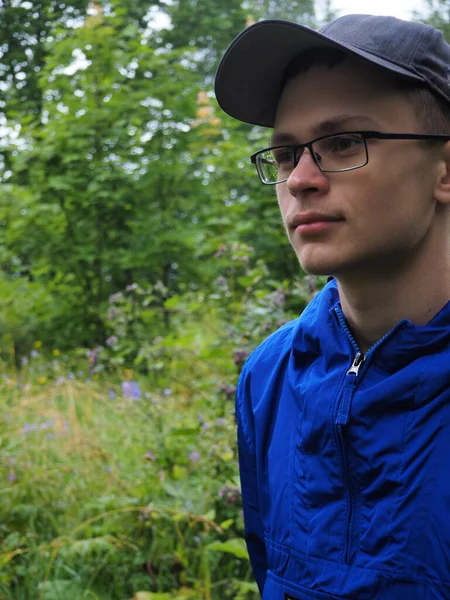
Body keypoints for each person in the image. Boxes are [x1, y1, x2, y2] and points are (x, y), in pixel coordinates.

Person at [214, 14, 450, 600]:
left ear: (445, 169)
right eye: (286, 153)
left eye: (342, 143)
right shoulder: (269, 377)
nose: (300, 180)